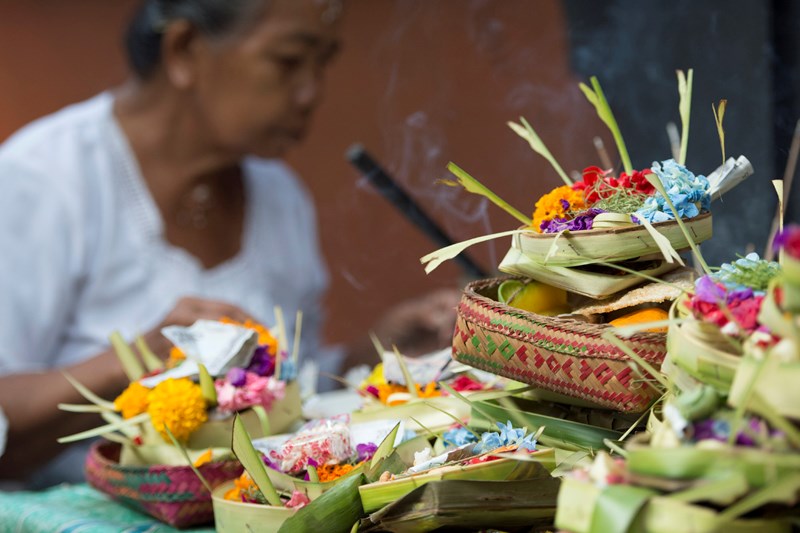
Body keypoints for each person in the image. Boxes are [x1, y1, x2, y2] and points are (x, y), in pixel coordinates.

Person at [0, 0, 459, 487]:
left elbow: (289, 385)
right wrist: (141, 360)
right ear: (184, 49)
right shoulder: (42, 182)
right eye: (287, 61)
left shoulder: (280, 197)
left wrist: (374, 356)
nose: (311, 93)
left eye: (322, 63)